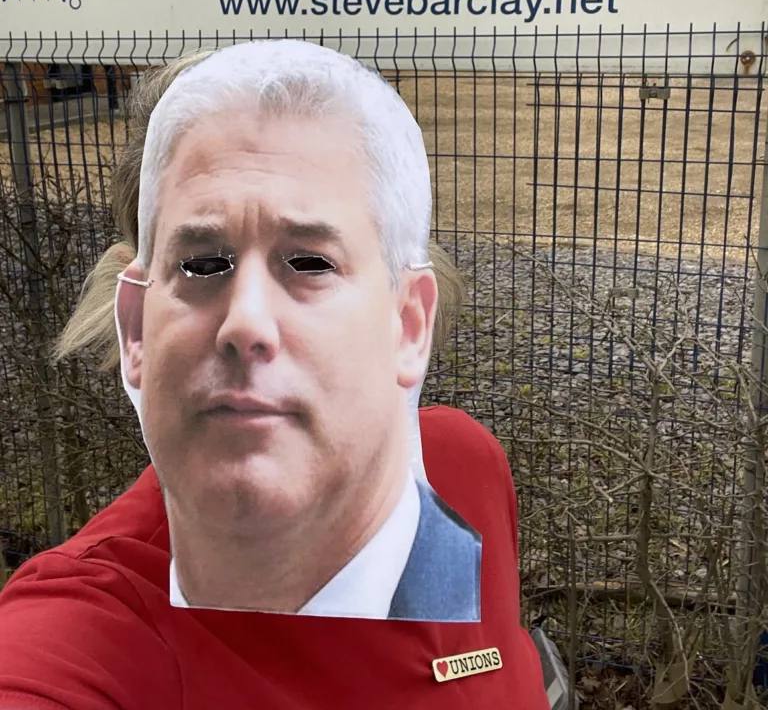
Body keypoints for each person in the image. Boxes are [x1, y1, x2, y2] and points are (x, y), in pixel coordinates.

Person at [0, 44, 549, 709]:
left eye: (310, 261)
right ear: (137, 317)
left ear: (405, 318)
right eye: (202, 263)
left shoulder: (463, 473)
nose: (247, 323)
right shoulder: (87, 639)